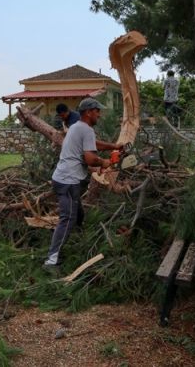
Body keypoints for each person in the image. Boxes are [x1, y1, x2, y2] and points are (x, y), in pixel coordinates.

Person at [43, 97, 122, 273]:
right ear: (88, 112)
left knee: (77, 212)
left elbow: (92, 145)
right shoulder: (85, 129)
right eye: (97, 111)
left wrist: (113, 146)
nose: (99, 115)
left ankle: (77, 239)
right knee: (68, 218)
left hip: (61, 178)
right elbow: (90, 158)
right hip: (68, 181)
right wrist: (104, 163)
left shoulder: (76, 127)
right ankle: (51, 260)